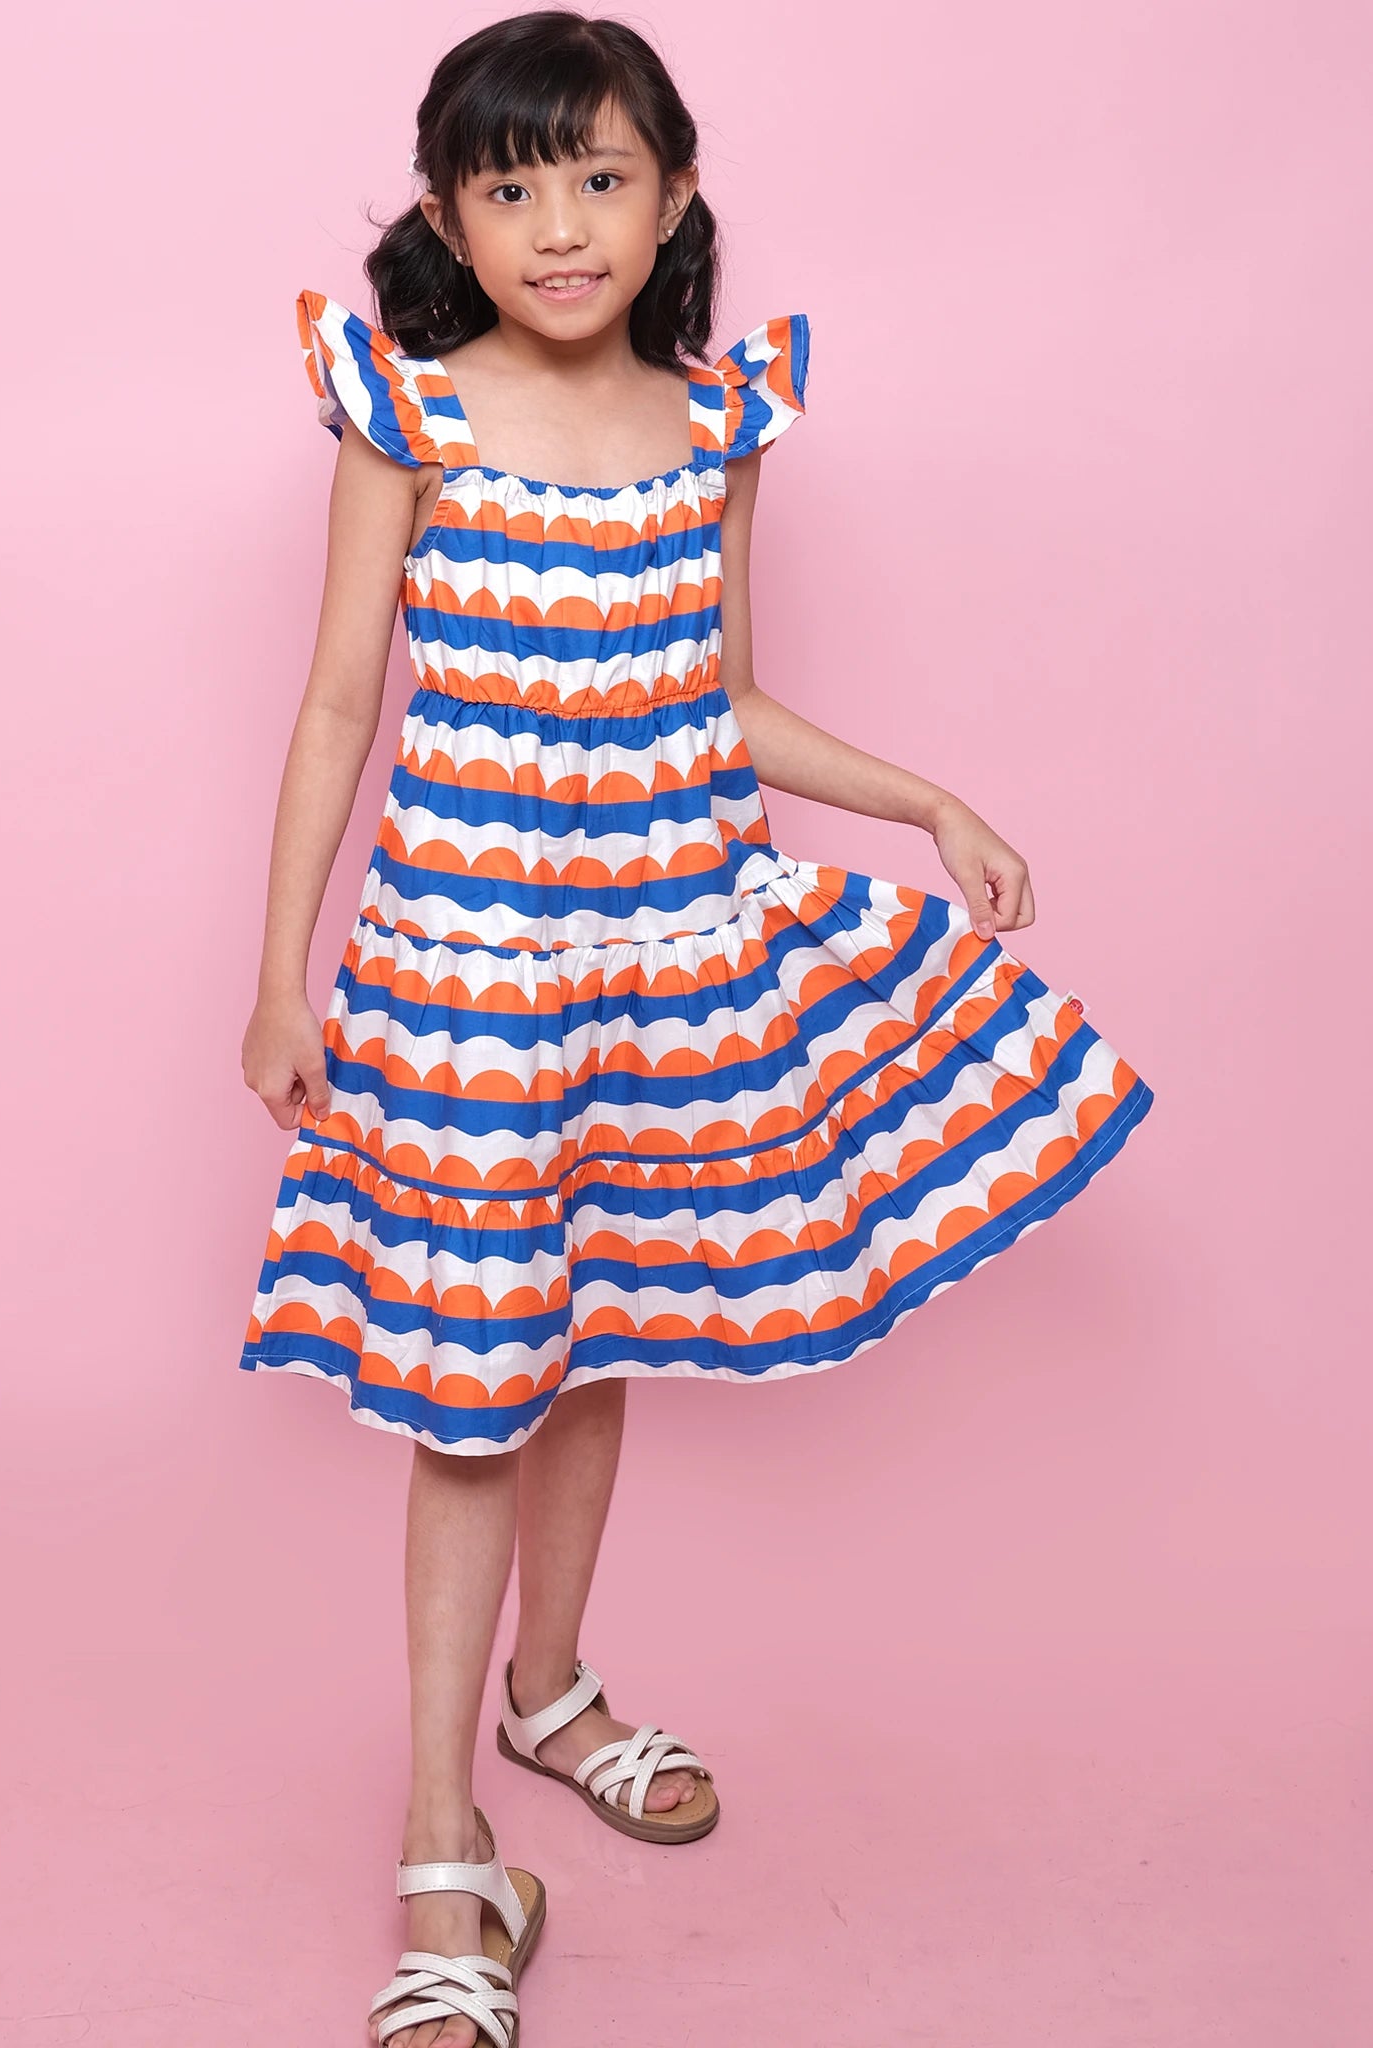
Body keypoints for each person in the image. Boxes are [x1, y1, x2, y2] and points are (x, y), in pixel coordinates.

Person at [238, 12, 1156, 2044]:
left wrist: (918, 790)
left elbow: (709, 700)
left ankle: (552, 1692)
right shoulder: (413, 415)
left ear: (670, 197)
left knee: (605, 1318)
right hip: (476, 970)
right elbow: (333, 707)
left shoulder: (719, 422)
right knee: (476, 1375)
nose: (559, 225)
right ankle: (440, 1836)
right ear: (450, 217)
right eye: (509, 185)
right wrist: (282, 970)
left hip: (666, 942)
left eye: (599, 177)